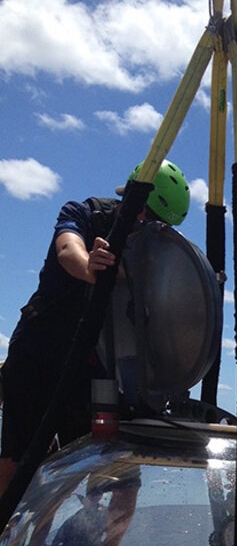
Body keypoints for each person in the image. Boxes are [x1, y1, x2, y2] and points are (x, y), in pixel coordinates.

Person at [0, 160, 190, 498]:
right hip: (37, 351)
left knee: (109, 472)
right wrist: (91, 266)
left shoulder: (150, 255)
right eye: (149, 218)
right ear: (133, 202)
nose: (148, 229)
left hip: (90, 364)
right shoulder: (85, 213)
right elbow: (66, 249)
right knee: (20, 462)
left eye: (161, 227)